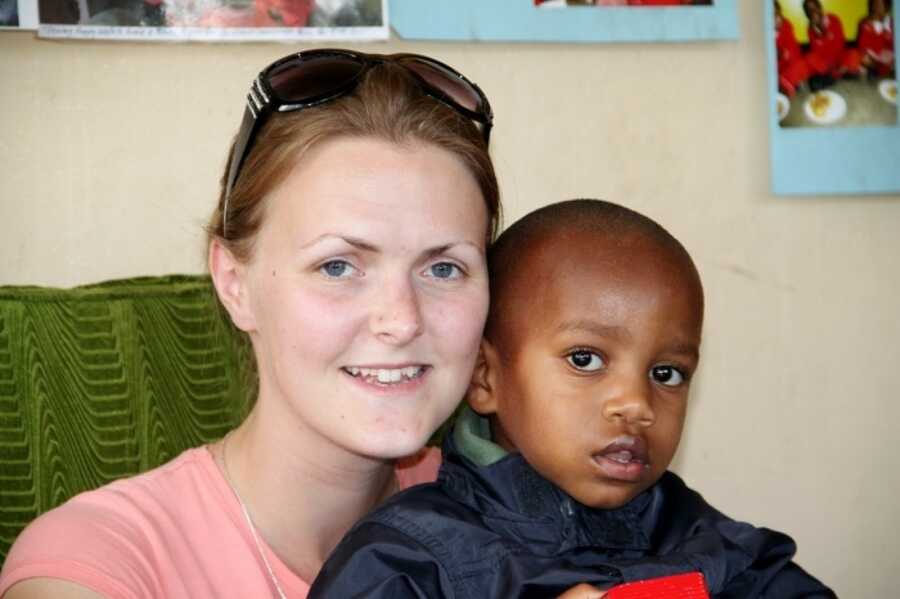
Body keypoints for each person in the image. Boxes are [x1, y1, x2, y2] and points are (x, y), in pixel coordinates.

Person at [0, 49, 501, 598]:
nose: (402, 321)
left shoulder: (520, 515)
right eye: (337, 266)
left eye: (444, 267)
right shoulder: (96, 560)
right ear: (234, 284)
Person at [308, 199, 837, 598]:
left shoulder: (712, 543)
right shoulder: (410, 558)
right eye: (585, 359)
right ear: (486, 378)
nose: (636, 404)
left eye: (667, 372)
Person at [803, 0, 862, 87]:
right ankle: (838, 75)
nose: (813, 11)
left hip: (839, 59)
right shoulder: (810, 29)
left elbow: (840, 45)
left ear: (820, 8)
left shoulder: (833, 19)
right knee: (809, 57)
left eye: (815, 8)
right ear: (807, 14)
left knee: (853, 53)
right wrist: (817, 34)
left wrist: (824, 31)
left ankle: (833, 76)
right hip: (826, 66)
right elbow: (816, 53)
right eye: (809, 10)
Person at [775, 0, 810, 97]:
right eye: (773, 16)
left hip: (787, 66)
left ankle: (786, 82)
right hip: (773, 70)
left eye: (778, 13)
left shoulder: (786, 24)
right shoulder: (762, 30)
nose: (778, 18)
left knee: (802, 65)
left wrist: (783, 53)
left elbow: (794, 50)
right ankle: (784, 83)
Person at [856, 0, 895, 78]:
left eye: (880, 5)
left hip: (890, 64)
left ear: (887, 6)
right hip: (872, 63)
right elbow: (862, 47)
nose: (876, 8)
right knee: (862, 59)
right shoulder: (865, 23)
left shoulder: (893, 23)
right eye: (874, 4)